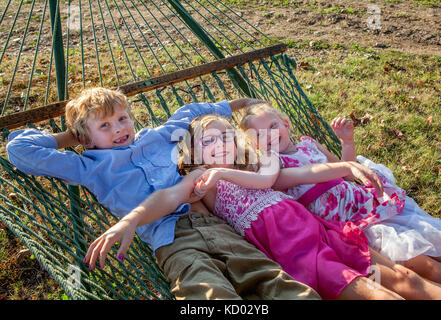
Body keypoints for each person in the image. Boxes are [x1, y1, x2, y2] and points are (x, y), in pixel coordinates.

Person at [6, 87, 320, 300]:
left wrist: (240, 104)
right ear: (86, 138)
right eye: (105, 126)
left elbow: (192, 111)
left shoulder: (159, 137)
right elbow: (21, 151)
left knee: (269, 276)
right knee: (205, 290)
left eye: (122, 118)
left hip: (217, 223)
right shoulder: (88, 167)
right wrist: (73, 137)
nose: (119, 129)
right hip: (170, 240)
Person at [239, 102, 441, 287]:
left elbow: (347, 175)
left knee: (437, 240)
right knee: (427, 268)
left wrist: (347, 143)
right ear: (255, 145)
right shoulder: (273, 168)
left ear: (286, 123)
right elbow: (311, 174)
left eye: (273, 126)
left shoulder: (309, 145)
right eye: (258, 135)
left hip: (368, 203)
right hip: (353, 226)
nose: (269, 136)